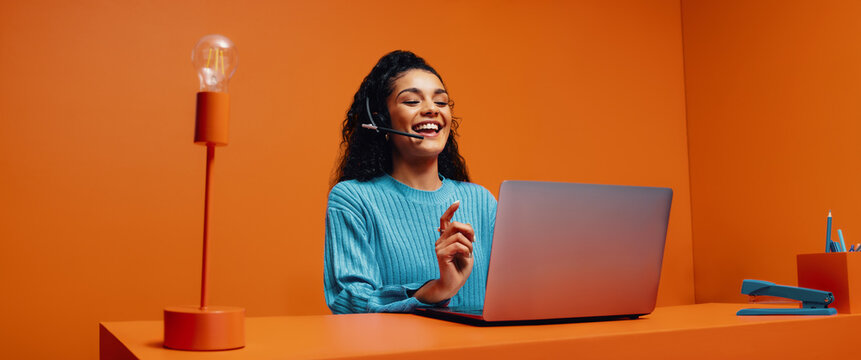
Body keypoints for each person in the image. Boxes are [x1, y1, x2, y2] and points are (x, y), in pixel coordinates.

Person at [324, 50, 497, 313]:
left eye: (441, 103)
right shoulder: (352, 198)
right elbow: (351, 302)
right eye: (412, 101)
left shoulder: (482, 200)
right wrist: (436, 290)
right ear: (380, 119)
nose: (431, 110)